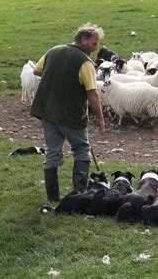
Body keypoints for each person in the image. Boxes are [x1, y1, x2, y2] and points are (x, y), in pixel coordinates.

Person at [30, 23, 106, 203]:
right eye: (94, 43)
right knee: (82, 149)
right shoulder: (85, 63)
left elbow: (37, 70)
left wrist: (57, 79)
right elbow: (92, 94)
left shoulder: (54, 51)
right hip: (70, 114)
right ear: (83, 40)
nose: (96, 48)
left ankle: (53, 197)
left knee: (53, 151)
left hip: (47, 110)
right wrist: (101, 119)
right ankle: (79, 194)